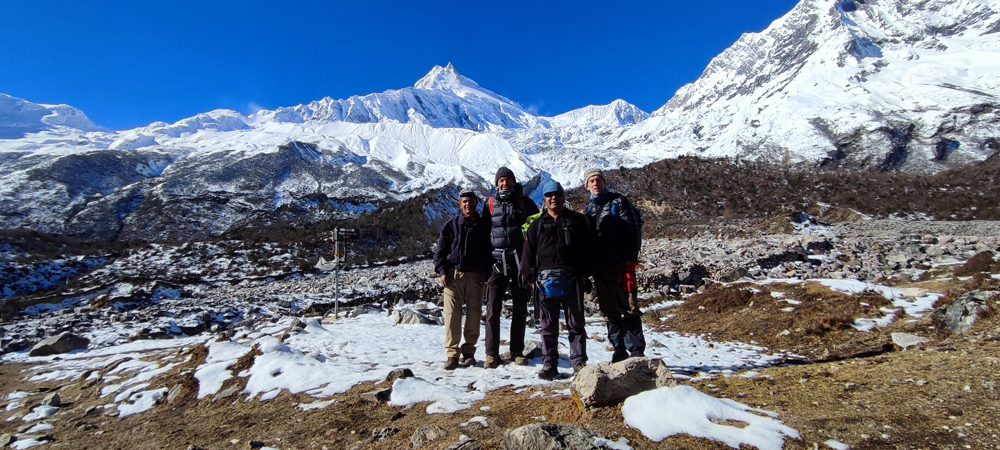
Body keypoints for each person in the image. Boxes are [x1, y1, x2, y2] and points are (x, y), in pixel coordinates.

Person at [520, 181, 593, 379]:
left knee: (575, 324)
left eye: (557, 194)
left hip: (573, 280)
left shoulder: (576, 222)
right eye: (549, 195)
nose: (554, 198)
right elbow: (527, 255)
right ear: (544, 199)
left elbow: (587, 251)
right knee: (548, 327)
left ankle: (578, 363)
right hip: (544, 284)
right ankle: (549, 364)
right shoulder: (536, 225)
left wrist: (584, 276)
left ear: (563, 196)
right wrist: (531, 279)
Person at [582, 168, 646, 363]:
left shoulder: (619, 202)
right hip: (600, 270)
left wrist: (630, 262)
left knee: (629, 308)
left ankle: (635, 351)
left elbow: (632, 232)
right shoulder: (588, 210)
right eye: (591, 181)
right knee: (609, 311)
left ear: (604, 182)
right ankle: (619, 350)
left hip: (621, 267)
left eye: (598, 180)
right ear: (587, 186)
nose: (595, 183)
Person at [482, 167, 539, 369]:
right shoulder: (489, 204)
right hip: (496, 263)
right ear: (496, 184)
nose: (505, 184)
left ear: (514, 182)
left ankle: (516, 351)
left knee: (520, 309)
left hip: (519, 262)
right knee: (492, 311)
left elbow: (536, 231)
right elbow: (483, 234)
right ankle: (491, 354)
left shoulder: (525, 203)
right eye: (501, 181)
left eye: (508, 180)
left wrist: (532, 263)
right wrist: (485, 264)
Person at [433, 188, 492, 370]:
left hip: (476, 277)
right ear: (460, 204)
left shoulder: (484, 226)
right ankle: (452, 355)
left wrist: (486, 272)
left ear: (476, 203)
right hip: (453, 276)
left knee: (474, 315)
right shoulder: (451, 226)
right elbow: (440, 252)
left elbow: (489, 252)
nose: (468, 204)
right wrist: (442, 271)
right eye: (464, 201)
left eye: (471, 201)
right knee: (452, 316)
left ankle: (469, 353)